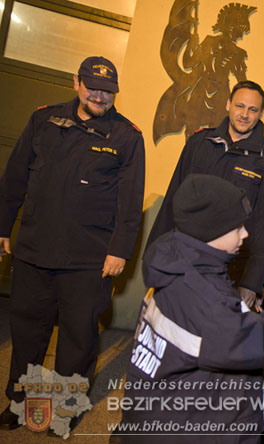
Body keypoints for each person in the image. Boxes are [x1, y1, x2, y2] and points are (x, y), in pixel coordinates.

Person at [114, 174, 264, 443]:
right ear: (212, 232)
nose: (245, 234)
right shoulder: (204, 298)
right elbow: (261, 343)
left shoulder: (176, 262)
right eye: (237, 227)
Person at [0, 56, 145, 431]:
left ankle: (67, 407)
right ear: (76, 83)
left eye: (108, 91)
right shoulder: (43, 120)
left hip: (88, 260)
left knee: (77, 341)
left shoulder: (127, 136)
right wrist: (3, 227)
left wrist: (119, 251)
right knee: (29, 334)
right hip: (34, 250)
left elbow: (130, 205)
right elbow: (14, 179)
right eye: (93, 87)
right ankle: (19, 403)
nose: (100, 95)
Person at [146, 80, 264, 311]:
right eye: (240, 106)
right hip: (183, 259)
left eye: (252, 110)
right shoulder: (200, 142)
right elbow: (174, 199)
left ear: (261, 113)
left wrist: (252, 282)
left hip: (230, 271)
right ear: (228, 104)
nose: (244, 115)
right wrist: (155, 254)